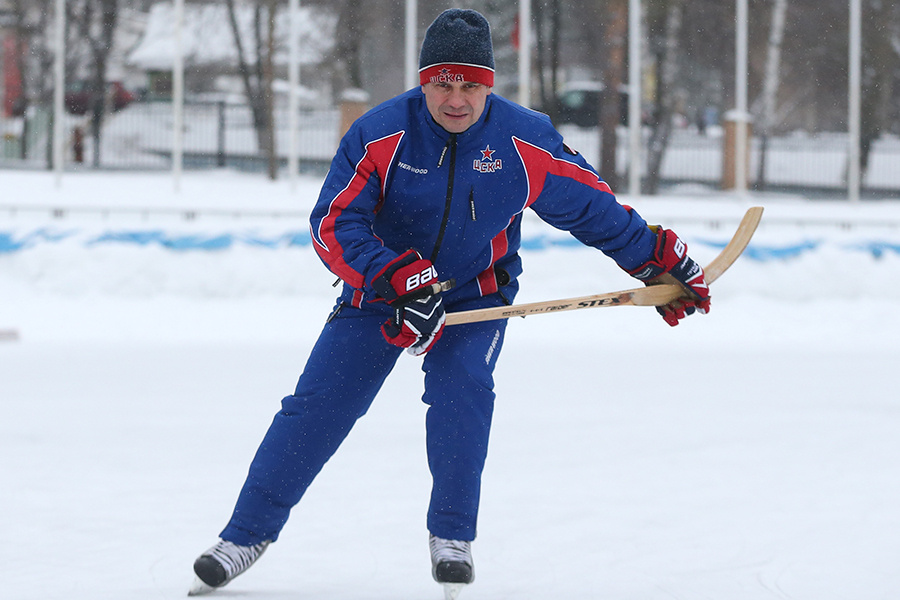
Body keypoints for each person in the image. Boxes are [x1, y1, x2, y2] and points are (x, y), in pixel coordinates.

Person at [188, 8, 710, 599]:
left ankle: (452, 537)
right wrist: (395, 277)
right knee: (317, 407)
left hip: (476, 297)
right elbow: (333, 223)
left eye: (470, 85)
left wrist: (652, 262)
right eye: (442, 83)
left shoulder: (523, 139)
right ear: (422, 81)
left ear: (490, 85)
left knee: (464, 390)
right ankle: (244, 536)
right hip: (381, 294)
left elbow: (592, 209)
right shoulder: (380, 133)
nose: (456, 99)